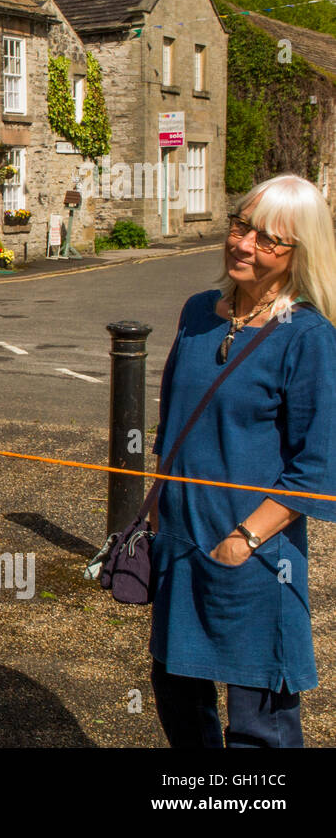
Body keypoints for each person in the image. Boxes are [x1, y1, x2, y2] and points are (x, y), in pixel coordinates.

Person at [149, 173, 336, 748]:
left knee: (261, 725)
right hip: (180, 543)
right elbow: (173, 424)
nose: (245, 245)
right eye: (241, 226)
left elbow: (320, 469)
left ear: (300, 253)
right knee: (180, 703)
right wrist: (158, 507)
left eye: (269, 240)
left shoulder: (308, 337)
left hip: (253, 555)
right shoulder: (198, 312)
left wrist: (243, 541)